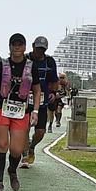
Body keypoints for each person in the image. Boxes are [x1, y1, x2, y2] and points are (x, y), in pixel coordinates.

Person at [0, 33, 44, 191]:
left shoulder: (31, 67)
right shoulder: (2, 66)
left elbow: (37, 90)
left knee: (16, 150)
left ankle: (12, 170)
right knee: (2, 145)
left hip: (21, 110)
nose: (17, 47)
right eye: (14, 44)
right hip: (0, 108)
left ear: (24, 47)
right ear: (9, 47)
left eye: (20, 44)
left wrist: (35, 111)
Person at [22, 36, 60, 167]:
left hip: (42, 100)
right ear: (33, 46)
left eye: (42, 50)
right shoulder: (25, 59)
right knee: (24, 128)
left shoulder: (49, 62)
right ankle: (25, 155)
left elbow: (54, 80)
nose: (40, 52)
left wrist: (53, 93)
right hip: (25, 99)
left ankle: (32, 146)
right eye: (38, 49)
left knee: (40, 132)